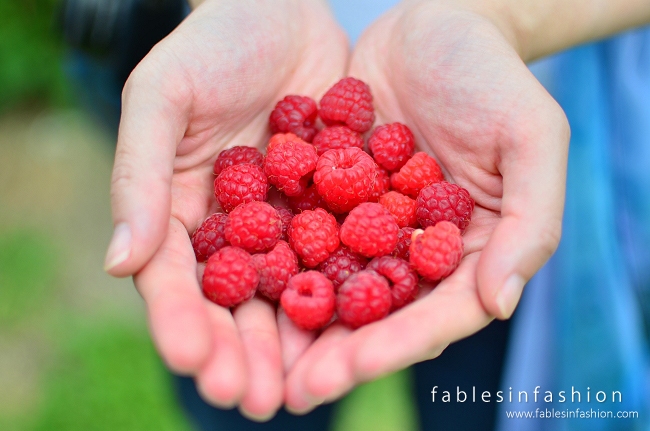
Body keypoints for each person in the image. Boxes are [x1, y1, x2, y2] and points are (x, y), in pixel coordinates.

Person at [101, 0, 650, 429]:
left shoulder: (408, 197)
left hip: (484, 148)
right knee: (241, 397)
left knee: (469, 396)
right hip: (250, 96)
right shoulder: (286, 194)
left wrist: (500, 17)